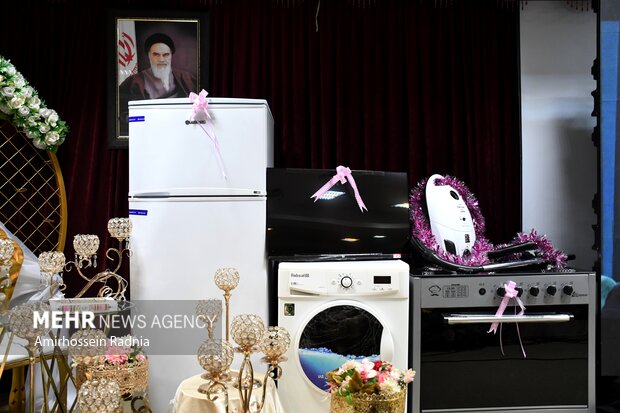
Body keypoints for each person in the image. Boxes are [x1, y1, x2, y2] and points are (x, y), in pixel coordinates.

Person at [118, 32, 197, 136]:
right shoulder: (132, 82)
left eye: (166, 55)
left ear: (171, 55)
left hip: (181, 132)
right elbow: (122, 114)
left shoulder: (187, 78)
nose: (161, 59)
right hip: (148, 133)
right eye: (156, 54)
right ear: (149, 55)